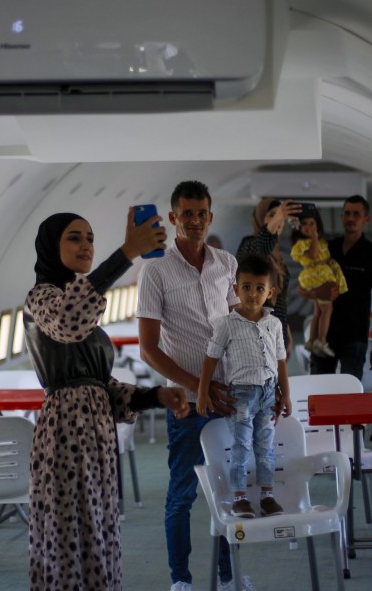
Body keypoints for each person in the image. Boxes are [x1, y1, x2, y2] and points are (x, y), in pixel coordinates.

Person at [24, 210, 190, 591]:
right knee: (69, 537)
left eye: (90, 238)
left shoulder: (82, 304)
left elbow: (101, 387)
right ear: (51, 246)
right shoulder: (42, 298)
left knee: (97, 532)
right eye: (74, 238)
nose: (86, 245)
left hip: (96, 438)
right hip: (65, 436)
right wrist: (126, 254)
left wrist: (155, 396)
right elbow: (68, 321)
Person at [136, 180, 242, 591]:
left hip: (228, 395)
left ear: (210, 217)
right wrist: (200, 386)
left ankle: (230, 578)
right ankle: (180, 579)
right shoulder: (155, 271)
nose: (195, 221)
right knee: (182, 494)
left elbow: (238, 326)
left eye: (201, 214)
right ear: (173, 218)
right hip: (186, 401)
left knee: (232, 491)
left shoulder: (226, 264)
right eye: (187, 214)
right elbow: (148, 349)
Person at [197, 254, 292, 518]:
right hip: (241, 396)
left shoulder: (274, 324)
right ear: (236, 289)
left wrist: (285, 394)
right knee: (241, 445)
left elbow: (281, 361)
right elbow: (211, 358)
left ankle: (267, 495)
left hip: (268, 394)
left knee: (265, 445)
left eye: (260, 288)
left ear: (270, 292)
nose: (252, 294)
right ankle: (239, 498)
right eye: (247, 287)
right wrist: (203, 392)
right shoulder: (226, 324)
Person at [300, 195, 372, 379]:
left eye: (356, 214)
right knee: (319, 389)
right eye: (347, 213)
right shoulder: (327, 249)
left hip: (355, 336)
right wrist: (317, 292)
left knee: (350, 391)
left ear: (366, 219)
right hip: (324, 336)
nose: (351, 218)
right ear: (341, 217)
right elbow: (303, 288)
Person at [235, 198, 302, 355]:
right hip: (257, 333)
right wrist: (278, 217)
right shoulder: (250, 244)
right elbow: (262, 248)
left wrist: (286, 332)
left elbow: (281, 300)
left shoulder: (277, 255)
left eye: (280, 217)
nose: (278, 221)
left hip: (278, 331)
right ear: (259, 218)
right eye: (272, 215)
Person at [290, 211, 348, 358]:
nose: (309, 227)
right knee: (327, 309)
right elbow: (314, 255)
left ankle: (311, 340)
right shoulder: (302, 243)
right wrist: (314, 237)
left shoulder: (320, 242)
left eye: (312, 224)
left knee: (318, 312)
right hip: (317, 276)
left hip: (321, 273)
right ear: (299, 227)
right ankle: (321, 340)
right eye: (304, 224)